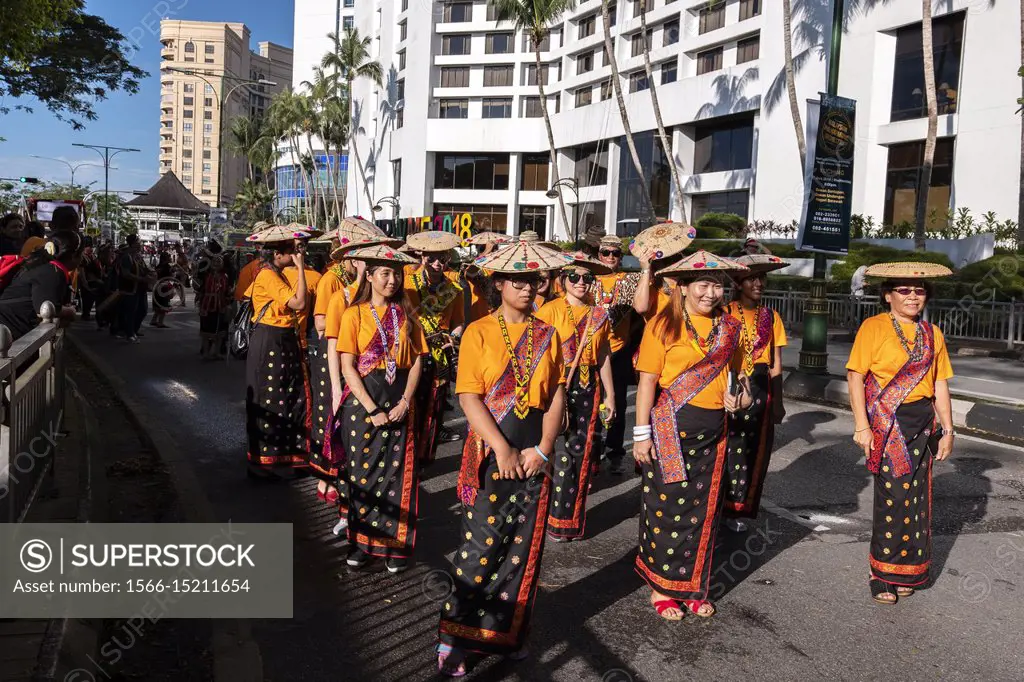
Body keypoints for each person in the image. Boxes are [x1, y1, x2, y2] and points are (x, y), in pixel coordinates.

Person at [437, 240, 569, 676]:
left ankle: (508, 635)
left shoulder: (549, 334)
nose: (527, 287)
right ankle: (457, 638)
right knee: (479, 547)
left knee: (522, 545)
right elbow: (469, 398)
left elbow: (555, 398)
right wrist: (502, 448)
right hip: (491, 451)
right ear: (498, 284)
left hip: (533, 453)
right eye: (517, 280)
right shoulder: (478, 332)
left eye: (532, 280)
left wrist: (543, 449)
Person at [631, 251, 752, 621]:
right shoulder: (663, 325)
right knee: (666, 508)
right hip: (669, 425)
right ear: (683, 287)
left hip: (715, 431)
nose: (711, 293)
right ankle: (662, 588)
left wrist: (742, 399)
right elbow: (648, 381)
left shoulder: (731, 328)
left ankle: (695, 586)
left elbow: (742, 378)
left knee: (704, 511)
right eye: (703, 284)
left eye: (717, 285)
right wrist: (641, 435)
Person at [846, 262, 955, 605]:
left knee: (917, 500)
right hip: (886, 421)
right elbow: (855, 377)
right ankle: (881, 573)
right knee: (893, 497)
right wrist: (861, 425)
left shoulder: (932, 334)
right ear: (887, 295)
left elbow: (939, 383)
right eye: (904, 290)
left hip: (922, 423)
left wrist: (949, 429)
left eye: (919, 290)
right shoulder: (873, 327)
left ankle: (908, 569)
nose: (912, 296)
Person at [334, 244, 427, 573]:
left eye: (397, 274)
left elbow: (416, 361)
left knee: (396, 476)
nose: (393, 280)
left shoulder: (408, 314)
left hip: (399, 398)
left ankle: (392, 545)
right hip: (364, 402)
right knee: (363, 475)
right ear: (369, 276)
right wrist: (373, 409)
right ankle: (361, 543)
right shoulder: (353, 315)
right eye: (385, 273)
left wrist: (405, 401)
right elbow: (347, 367)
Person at [536, 253, 615, 541]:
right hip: (557, 387)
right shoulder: (549, 311)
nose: (582, 283)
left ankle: (567, 520)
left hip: (588, 388)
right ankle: (543, 514)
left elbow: (604, 355)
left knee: (579, 455)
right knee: (553, 451)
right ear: (563, 281)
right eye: (575, 277)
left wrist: (611, 396)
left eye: (587, 278)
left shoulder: (599, 314)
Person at [722, 254, 790, 531]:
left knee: (754, 451)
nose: (758, 283)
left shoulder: (771, 317)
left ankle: (740, 508)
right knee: (727, 447)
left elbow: (775, 365)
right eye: (752, 278)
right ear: (738, 283)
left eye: (761, 278)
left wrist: (778, 403)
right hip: (730, 382)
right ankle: (718, 503)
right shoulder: (723, 313)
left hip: (761, 385)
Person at [244, 228, 311, 478]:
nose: (295, 255)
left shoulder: (276, 273)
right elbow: (299, 303)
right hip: (270, 340)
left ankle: (281, 460)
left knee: (284, 398)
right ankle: (265, 465)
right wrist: (302, 268)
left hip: (280, 338)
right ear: (277, 254)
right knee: (270, 400)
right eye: (291, 251)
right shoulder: (268, 275)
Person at [404, 230, 466, 463]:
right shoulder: (407, 283)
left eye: (443, 258)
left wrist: (454, 336)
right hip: (413, 353)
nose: (438, 263)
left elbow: (458, 321)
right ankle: (407, 458)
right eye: (431, 258)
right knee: (412, 407)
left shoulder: (453, 288)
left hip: (440, 353)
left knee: (435, 409)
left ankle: (424, 458)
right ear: (421, 257)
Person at [595, 235, 641, 475]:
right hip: (592, 351)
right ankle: (592, 448)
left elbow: (641, 309)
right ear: (598, 254)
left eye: (615, 253)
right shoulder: (586, 278)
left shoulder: (629, 280)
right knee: (591, 402)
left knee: (618, 402)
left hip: (618, 351)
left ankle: (614, 449)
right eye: (606, 252)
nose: (610, 257)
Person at [0, 231, 82, 339]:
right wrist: (70, 311)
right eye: (81, 255)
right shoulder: (52, 271)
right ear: (73, 256)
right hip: (10, 333)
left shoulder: (39, 264)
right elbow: (44, 309)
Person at [198, 255, 230, 359]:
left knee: (219, 330)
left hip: (220, 305)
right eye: (214, 261)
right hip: (207, 306)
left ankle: (216, 352)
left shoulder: (225, 276)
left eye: (219, 261)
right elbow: (199, 288)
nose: (216, 263)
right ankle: (206, 353)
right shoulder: (206, 275)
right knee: (206, 331)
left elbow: (227, 291)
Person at [150, 251, 175, 328]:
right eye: (169, 256)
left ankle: (153, 320)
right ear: (166, 258)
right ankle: (160, 322)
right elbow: (170, 277)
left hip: (157, 286)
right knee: (163, 304)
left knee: (158, 303)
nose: (170, 258)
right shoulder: (167, 267)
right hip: (164, 287)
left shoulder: (158, 266)